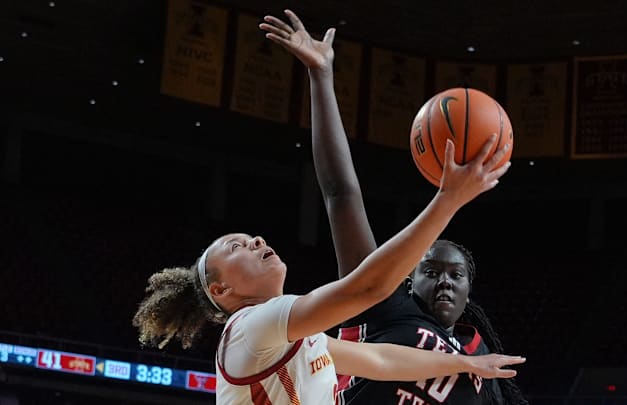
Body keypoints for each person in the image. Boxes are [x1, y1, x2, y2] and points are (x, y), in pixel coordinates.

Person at [132, 45, 520, 405]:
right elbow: (366, 287)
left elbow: (381, 360)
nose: (256, 241)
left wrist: (465, 363)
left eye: (250, 238)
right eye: (237, 247)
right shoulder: (250, 326)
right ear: (222, 289)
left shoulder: (298, 337)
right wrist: (448, 200)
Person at [260, 9, 529, 405]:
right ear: (406, 280)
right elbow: (340, 193)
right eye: (431, 270)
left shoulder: (483, 366)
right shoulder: (382, 303)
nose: (445, 282)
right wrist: (321, 76)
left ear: (470, 292)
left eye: (456, 275)